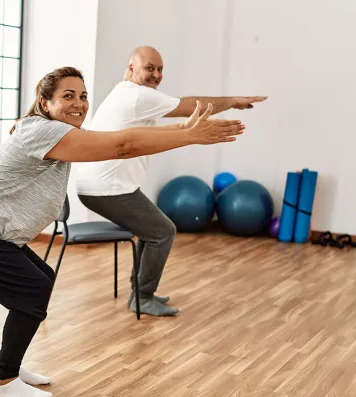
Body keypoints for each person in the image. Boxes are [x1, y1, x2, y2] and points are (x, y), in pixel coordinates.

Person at [0, 66, 244, 397]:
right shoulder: (43, 131)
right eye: (68, 96)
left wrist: (184, 128)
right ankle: (4, 381)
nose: (79, 103)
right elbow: (124, 145)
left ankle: (9, 366)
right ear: (44, 103)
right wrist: (187, 135)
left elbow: (127, 139)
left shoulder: (56, 130)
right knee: (32, 289)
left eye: (83, 96)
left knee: (41, 278)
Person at [76, 46, 267, 317]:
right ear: (131, 69)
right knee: (163, 231)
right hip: (107, 188)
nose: (156, 74)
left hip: (103, 185)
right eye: (149, 68)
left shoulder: (126, 92)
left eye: (160, 69)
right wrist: (233, 100)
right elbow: (193, 105)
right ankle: (142, 296)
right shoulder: (137, 96)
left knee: (152, 230)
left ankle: (140, 292)